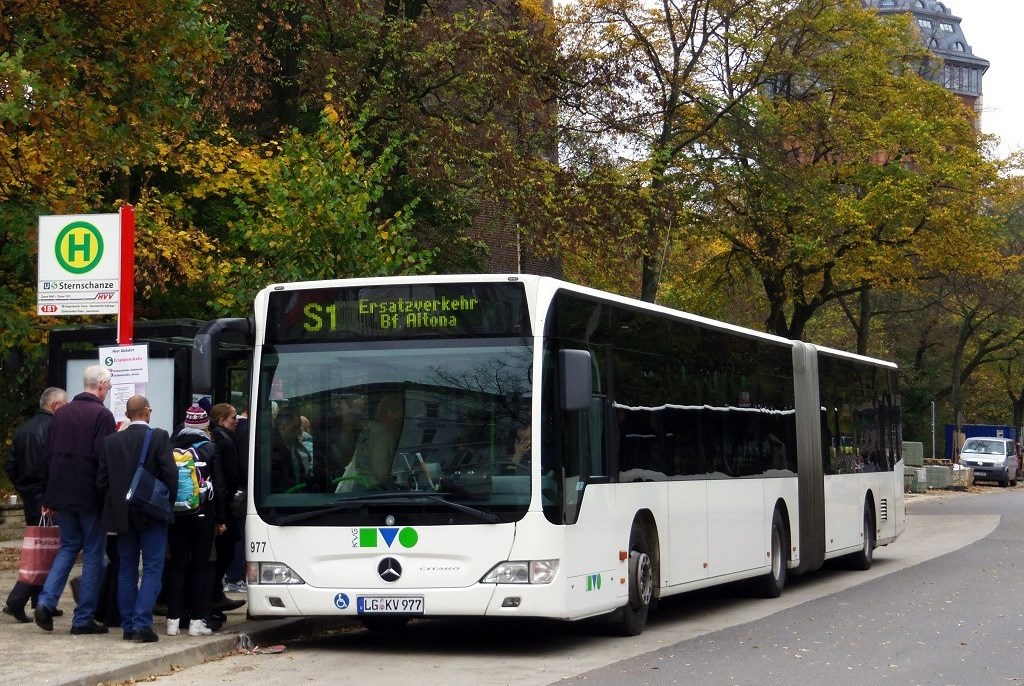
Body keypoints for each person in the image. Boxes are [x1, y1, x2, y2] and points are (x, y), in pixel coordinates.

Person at [34, 365, 117, 634]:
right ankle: (83, 619)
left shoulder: (61, 413)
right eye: (109, 386)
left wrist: (48, 495)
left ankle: (46, 602)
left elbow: (49, 456)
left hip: (61, 493)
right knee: (94, 553)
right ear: (102, 385)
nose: (109, 390)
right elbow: (102, 459)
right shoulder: (102, 415)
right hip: (90, 495)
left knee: (68, 547)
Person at [96, 395, 177, 643]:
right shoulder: (159, 437)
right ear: (147, 412)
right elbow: (171, 476)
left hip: (122, 516)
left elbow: (101, 482)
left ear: (128, 414)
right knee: (153, 568)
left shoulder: (110, 442)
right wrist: (167, 503)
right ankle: (143, 623)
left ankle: (128, 625)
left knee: (126, 570)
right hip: (152, 514)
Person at [164, 403, 232, 637]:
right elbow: (220, 487)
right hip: (203, 515)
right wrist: (222, 519)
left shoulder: (170, 446)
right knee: (201, 567)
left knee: (177, 565)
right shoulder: (210, 449)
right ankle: (196, 622)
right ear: (205, 425)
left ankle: (172, 621)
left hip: (175, 515)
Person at [2, 387, 68, 623]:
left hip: (32, 499)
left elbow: (10, 464)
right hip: (48, 500)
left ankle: (42, 601)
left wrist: (23, 488)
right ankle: (16, 601)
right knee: (45, 552)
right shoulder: (54, 429)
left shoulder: (24, 429)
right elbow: (53, 466)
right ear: (55, 407)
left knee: (40, 547)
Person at [207, 403, 246, 611]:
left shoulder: (214, 438)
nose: (236, 421)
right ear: (221, 420)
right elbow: (228, 479)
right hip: (224, 506)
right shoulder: (225, 442)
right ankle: (214, 595)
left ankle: (214, 594)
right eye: (232, 418)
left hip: (212, 504)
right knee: (225, 552)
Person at [337, 393, 404, 490]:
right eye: (401, 412)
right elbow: (380, 471)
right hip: (375, 491)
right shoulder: (383, 434)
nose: (401, 417)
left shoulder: (368, 428)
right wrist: (399, 483)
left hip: (360, 486)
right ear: (391, 413)